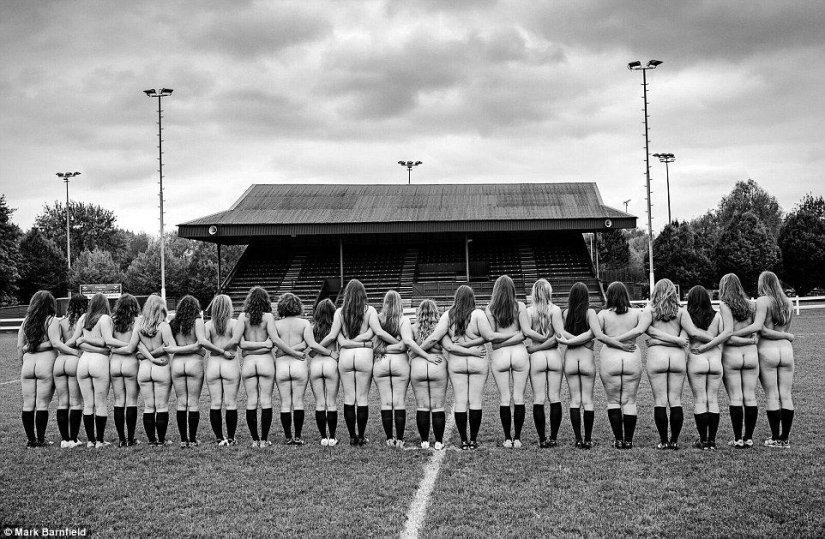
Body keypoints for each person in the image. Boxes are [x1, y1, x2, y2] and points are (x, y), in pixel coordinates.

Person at [420, 285, 518, 450]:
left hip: (457, 362)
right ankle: (473, 439)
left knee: (460, 401)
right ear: (472, 299)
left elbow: (434, 338)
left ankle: (463, 440)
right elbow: (490, 336)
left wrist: (416, 351)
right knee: (475, 401)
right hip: (478, 361)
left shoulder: (448, 315)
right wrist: (514, 334)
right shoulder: (478, 314)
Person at [319, 279, 399, 446]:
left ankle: (351, 436)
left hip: (346, 356)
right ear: (363, 294)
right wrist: (398, 344)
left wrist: (316, 347)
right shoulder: (369, 311)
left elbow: (333, 336)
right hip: (364, 356)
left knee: (349, 398)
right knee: (362, 398)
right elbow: (379, 333)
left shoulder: (339, 312)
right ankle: (361, 436)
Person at [613, 279, 689, 449]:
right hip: (677, 358)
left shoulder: (650, 310)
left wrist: (655, 341)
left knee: (660, 400)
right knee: (676, 400)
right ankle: (674, 441)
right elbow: (682, 341)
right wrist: (674, 340)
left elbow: (640, 330)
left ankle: (663, 441)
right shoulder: (682, 312)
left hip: (657, 358)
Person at [694, 274, 759, 448]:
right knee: (751, 397)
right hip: (752, 354)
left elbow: (727, 335)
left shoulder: (725, 305)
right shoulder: (752, 305)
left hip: (733, 355)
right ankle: (749, 437)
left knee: (736, 397)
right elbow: (754, 333)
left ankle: (738, 438)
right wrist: (750, 340)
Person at [233, 286, 304, 447]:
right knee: (266, 401)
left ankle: (254, 440)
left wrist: (249, 347)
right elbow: (274, 342)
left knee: (251, 401)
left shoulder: (243, 317)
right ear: (266, 301)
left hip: (249, 362)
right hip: (265, 362)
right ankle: (264, 440)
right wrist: (265, 346)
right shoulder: (268, 317)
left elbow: (240, 343)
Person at [732, 271, 795, 447]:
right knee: (786, 395)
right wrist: (787, 335)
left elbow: (761, 328)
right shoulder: (788, 303)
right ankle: (785, 438)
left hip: (767, 350)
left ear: (763, 284)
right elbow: (783, 331)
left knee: (772, 396)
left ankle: (775, 437)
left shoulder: (763, 301)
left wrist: (732, 333)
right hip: (786, 350)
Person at [373, 291, 438, 448]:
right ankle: (400, 439)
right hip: (399, 363)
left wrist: (383, 349)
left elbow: (374, 346)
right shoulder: (403, 320)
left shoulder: (377, 318)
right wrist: (396, 347)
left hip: (380, 363)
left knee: (386, 402)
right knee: (399, 401)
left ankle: (389, 438)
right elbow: (404, 345)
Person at [273, 293, 336, 445]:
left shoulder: (276, 325)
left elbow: (274, 344)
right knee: (299, 402)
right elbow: (310, 344)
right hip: (298, 363)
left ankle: (288, 437)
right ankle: (298, 436)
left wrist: (285, 350)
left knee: (285, 403)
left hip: (281, 364)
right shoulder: (304, 323)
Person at [69, 293, 124, 448]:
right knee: (100, 403)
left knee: (87, 404)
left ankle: (90, 440)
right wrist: (127, 345)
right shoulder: (105, 319)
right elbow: (106, 342)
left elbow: (76, 341)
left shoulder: (83, 318)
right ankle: (99, 441)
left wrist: (84, 341)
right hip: (99, 363)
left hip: (83, 362)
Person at [589, 282, 641, 449]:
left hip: (610, 358)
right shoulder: (636, 313)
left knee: (613, 401)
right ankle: (629, 440)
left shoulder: (603, 314)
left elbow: (598, 336)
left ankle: (618, 439)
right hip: (632, 357)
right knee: (630, 401)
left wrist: (614, 342)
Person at [485, 276, 530, 448]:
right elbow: (524, 334)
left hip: (500, 355)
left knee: (505, 398)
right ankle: (517, 438)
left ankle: (506, 438)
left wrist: (502, 342)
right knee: (519, 397)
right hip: (519, 352)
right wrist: (515, 336)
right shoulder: (520, 306)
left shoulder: (489, 309)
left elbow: (493, 339)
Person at [524, 279, 566, 448]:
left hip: (537, 357)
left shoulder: (529, 312)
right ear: (549, 292)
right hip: (554, 356)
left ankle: (542, 439)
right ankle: (553, 437)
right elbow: (558, 337)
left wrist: (535, 349)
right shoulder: (555, 310)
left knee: (538, 399)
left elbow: (527, 334)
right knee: (555, 398)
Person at [557, 283, 597, 449]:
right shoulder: (591, 313)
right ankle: (588, 439)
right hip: (586, 356)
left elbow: (560, 333)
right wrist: (583, 340)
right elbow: (593, 333)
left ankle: (578, 438)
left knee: (574, 400)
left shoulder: (565, 313)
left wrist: (569, 341)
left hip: (571, 357)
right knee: (587, 400)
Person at [165, 295, 207, 448]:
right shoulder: (197, 321)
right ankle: (193, 439)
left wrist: (176, 349)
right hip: (194, 362)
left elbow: (171, 346)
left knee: (181, 402)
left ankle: (183, 439)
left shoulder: (173, 323)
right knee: (193, 402)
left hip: (177, 363)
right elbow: (199, 345)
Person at [18, 290, 58, 447]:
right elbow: (54, 343)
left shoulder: (26, 321)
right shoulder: (51, 320)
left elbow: (20, 346)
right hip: (45, 364)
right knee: (42, 404)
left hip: (28, 364)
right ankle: (41, 439)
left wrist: (23, 362)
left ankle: (30, 440)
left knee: (27, 404)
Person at [200, 294, 241, 446]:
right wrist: (224, 351)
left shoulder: (208, 325)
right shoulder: (234, 323)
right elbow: (238, 342)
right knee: (231, 403)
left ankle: (219, 437)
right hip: (230, 363)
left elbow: (203, 343)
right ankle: (231, 437)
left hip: (213, 364)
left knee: (215, 403)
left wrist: (217, 350)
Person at [136, 294, 174, 446]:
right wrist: (154, 355)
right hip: (161, 367)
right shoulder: (163, 326)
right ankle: (161, 439)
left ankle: (151, 440)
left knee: (148, 406)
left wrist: (148, 355)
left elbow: (136, 345)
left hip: (144, 369)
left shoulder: (139, 325)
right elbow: (169, 347)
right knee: (161, 405)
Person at [49, 294, 87, 448]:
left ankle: (64, 439)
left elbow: (57, 342)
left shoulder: (61, 322)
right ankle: (74, 438)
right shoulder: (85, 321)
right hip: (75, 360)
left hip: (60, 361)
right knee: (76, 403)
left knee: (63, 402)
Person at [410, 299, 448, 450]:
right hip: (437, 364)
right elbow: (448, 346)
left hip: (418, 365)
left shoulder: (413, 328)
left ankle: (424, 441)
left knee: (422, 406)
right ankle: (438, 441)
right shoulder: (440, 328)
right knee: (438, 406)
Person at [109, 294, 142, 447]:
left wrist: (115, 351)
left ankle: (121, 439)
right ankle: (130, 438)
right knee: (131, 401)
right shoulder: (137, 321)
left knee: (118, 401)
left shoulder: (112, 320)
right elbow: (133, 347)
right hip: (131, 364)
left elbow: (109, 343)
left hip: (115, 364)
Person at [310, 299, 340, 446]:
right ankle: (332, 437)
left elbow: (309, 347)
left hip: (315, 364)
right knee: (332, 403)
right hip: (331, 364)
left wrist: (314, 351)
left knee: (320, 403)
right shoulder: (336, 327)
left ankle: (323, 437)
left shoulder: (312, 327)